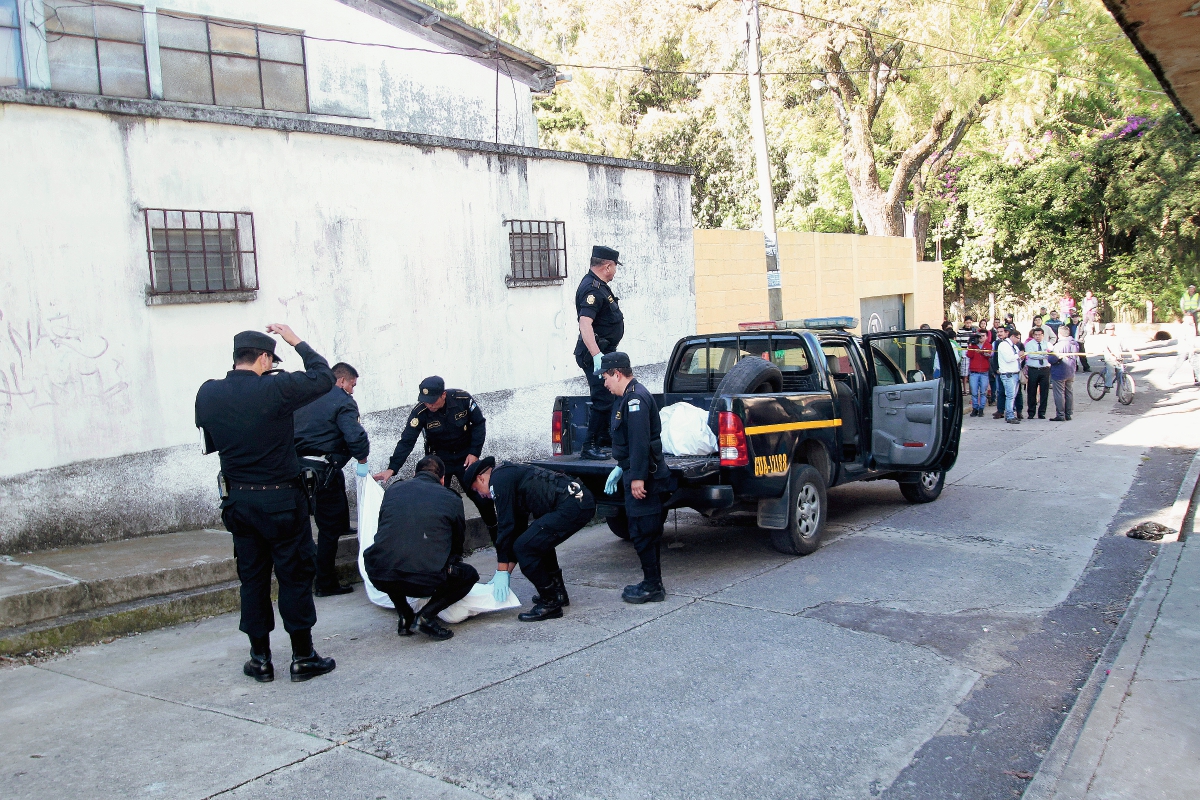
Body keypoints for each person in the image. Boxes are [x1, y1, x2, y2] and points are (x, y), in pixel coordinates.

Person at [195, 325, 337, 683]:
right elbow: (323, 376)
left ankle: (260, 659)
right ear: (263, 357)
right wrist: (295, 340)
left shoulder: (208, 393)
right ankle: (303, 656)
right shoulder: (276, 387)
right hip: (281, 501)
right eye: (270, 359)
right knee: (294, 576)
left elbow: (212, 440)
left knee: (253, 579)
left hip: (239, 502)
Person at [467, 457, 596, 621]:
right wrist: (506, 573)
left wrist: (501, 571)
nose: (481, 495)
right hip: (579, 501)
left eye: (477, 489)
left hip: (572, 504)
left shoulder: (497, 482)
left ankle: (550, 603)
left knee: (525, 548)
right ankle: (558, 593)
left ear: (481, 478)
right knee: (535, 540)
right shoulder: (508, 476)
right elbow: (517, 528)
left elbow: (505, 527)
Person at [364, 455, 478, 641]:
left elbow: (384, 532)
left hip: (379, 573)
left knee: (390, 557)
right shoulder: (451, 498)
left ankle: (405, 616)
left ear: (415, 474)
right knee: (468, 575)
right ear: (442, 479)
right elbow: (457, 543)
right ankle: (426, 616)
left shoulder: (394, 490)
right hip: (425, 579)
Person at [374, 377, 497, 544]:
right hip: (440, 462)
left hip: (465, 457)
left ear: (443, 395)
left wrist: (475, 452)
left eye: (432, 401)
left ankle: (498, 539)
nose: (429, 405)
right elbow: (407, 441)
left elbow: (479, 423)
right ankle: (440, 546)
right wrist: (392, 468)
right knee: (436, 504)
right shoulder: (420, 412)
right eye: (425, 401)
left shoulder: (463, 399)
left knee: (483, 499)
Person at [599, 352, 672, 603]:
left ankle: (652, 586)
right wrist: (622, 466)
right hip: (635, 470)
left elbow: (640, 442)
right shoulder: (626, 398)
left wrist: (637, 477)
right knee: (642, 530)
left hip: (645, 478)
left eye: (606, 377)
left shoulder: (635, 400)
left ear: (617, 373)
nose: (604, 383)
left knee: (643, 531)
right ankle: (652, 583)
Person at [293, 362, 369, 597]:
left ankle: (302, 575)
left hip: (294, 467)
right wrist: (362, 458)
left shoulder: (304, 397)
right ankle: (325, 582)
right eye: (352, 385)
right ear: (341, 381)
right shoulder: (343, 400)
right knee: (328, 531)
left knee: (301, 524)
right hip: (321, 469)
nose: (352, 390)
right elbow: (354, 436)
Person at [575, 245, 625, 460]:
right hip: (596, 354)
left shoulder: (600, 285)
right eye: (614, 267)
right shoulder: (593, 289)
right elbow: (585, 324)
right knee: (602, 399)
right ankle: (589, 446)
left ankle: (603, 438)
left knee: (609, 396)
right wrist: (597, 355)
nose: (615, 271)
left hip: (605, 352)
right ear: (607, 266)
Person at [1098, 323, 1141, 390]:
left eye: (1111, 329)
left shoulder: (1119, 338)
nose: (1109, 331)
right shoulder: (1105, 338)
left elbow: (1128, 346)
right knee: (1111, 371)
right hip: (1109, 358)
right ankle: (1107, 386)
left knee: (1121, 375)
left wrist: (1134, 354)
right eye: (1107, 330)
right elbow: (1105, 349)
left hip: (1119, 358)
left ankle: (1120, 395)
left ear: (1114, 330)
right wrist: (1111, 356)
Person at [1048, 326, 1079, 421]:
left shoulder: (1059, 345)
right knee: (1069, 392)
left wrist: (1049, 356)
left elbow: (1053, 359)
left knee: (1059, 393)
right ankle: (1068, 413)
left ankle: (1060, 414)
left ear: (1059, 334)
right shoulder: (1074, 343)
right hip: (1071, 370)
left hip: (1060, 371)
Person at [997, 328, 1024, 424]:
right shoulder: (1004, 345)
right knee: (1010, 396)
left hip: (1015, 373)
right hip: (1008, 374)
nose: (1018, 340)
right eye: (1017, 338)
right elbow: (1008, 358)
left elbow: (1017, 358)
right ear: (1012, 336)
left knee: (1013, 396)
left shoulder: (1014, 346)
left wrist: (1020, 357)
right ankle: (1009, 415)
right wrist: (1018, 355)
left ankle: (1011, 413)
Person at [1024, 327, 1052, 419]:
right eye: (1035, 335)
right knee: (1031, 391)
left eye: (1039, 335)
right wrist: (1043, 354)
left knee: (1044, 392)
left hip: (1045, 369)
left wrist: (1039, 353)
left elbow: (1050, 355)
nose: (1037, 336)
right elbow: (1031, 355)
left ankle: (1042, 412)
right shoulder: (1029, 344)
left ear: (1043, 335)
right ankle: (1031, 412)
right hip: (1033, 369)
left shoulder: (1048, 344)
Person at [1167, 313, 1200, 385]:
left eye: (1192, 318)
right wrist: (1191, 348)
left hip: (1191, 349)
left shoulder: (1192, 326)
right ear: (1185, 319)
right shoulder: (1184, 327)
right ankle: (1169, 377)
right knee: (1178, 364)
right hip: (1184, 349)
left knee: (1196, 364)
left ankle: (1198, 379)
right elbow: (1185, 339)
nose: (1192, 320)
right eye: (1190, 319)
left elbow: (1193, 338)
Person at [966, 335, 990, 417]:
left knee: (983, 391)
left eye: (983, 336)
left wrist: (982, 352)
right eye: (979, 337)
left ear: (986, 337)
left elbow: (989, 355)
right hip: (974, 371)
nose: (981, 338)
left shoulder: (988, 345)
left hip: (984, 372)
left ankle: (981, 409)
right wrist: (970, 345)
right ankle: (975, 408)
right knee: (974, 392)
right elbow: (969, 355)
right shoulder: (973, 346)